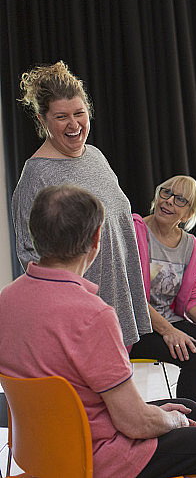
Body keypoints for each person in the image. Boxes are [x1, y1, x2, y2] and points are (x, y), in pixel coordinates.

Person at [0, 185, 196, 478]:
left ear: (34, 234)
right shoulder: (94, 315)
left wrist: (168, 415)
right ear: (96, 240)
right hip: (102, 457)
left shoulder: (6, 299)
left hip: (44, 449)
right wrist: (173, 421)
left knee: (188, 408)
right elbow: (135, 424)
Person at [11, 61, 150, 347]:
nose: (74, 125)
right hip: (78, 319)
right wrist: (76, 305)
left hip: (118, 305)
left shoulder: (96, 157)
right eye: (61, 117)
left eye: (79, 113)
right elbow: (30, 256)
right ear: (42, 120)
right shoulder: (36, 176)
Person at [129, 176, 196, 428]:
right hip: (136, 326)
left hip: (170, 322)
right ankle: (190, 433)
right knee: (193, 355)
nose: (169, 201)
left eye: (180, 199)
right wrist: (169, 331)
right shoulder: (134, 231)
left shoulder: (190, 245)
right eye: (166, 193)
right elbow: (131, 295)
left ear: (188, 213)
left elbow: (192, 299)